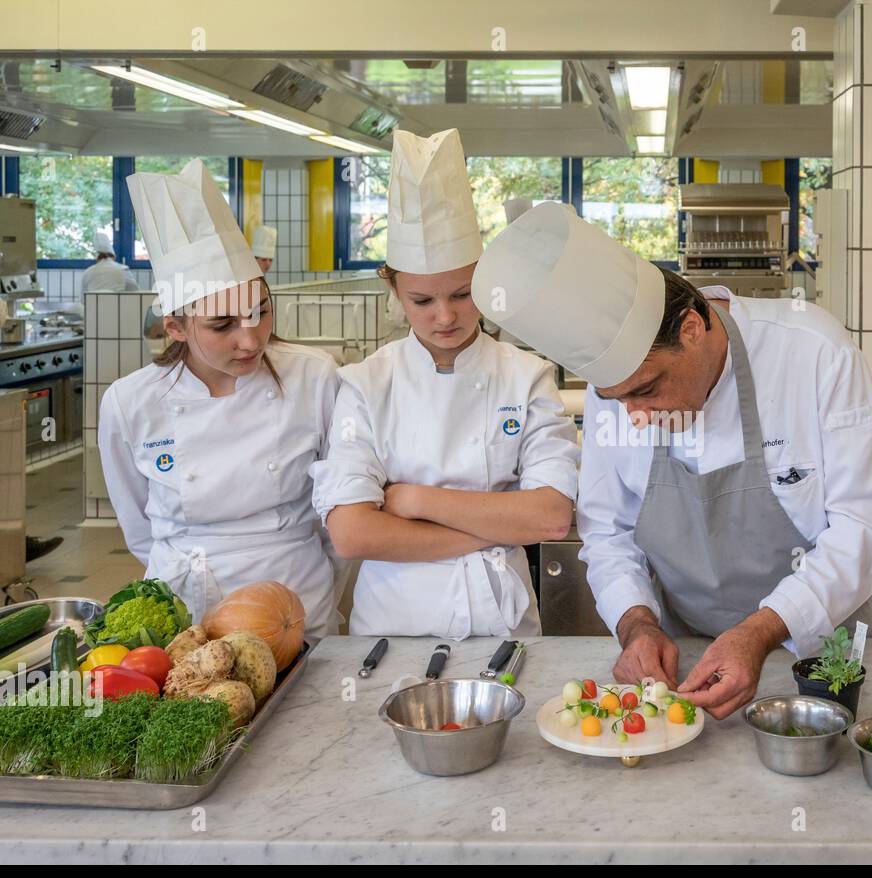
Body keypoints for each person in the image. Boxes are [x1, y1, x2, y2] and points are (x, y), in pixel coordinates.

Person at [471, 202, 872, 718]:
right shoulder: (617, 390)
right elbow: (609, 532)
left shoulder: (813, 352)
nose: (634, 416)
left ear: (692, 328)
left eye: (648, 389)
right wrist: (636, 624)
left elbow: (867, 525)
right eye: (616, 400)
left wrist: (761, 630)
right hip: (688, 666)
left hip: (819, 665)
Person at [311, 129, 578, 639]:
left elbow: (547, 518)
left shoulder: (526, 376)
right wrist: (492, 529)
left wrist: (412, 502)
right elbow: (351, 533)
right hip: (392, 628)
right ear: (392, 288)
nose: (445, 317)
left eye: (462, 292)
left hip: (503, 624)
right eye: (422, 300)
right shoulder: (366, 384)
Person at [98, 159, 341, 636]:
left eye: (261, 312)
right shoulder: (130, 402)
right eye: (222, 325)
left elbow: (338, 515)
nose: (251, 340)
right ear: (176, 326)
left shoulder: (315, 377)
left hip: (296, 599)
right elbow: (139, 528)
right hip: (187, 605)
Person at [81, 229, 138, 293]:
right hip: (117, 303)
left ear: (97, 258)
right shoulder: (122, 270)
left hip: (94, 303)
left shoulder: (88, 272)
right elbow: (135, 292)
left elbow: (83, 300)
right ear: (113, 256)